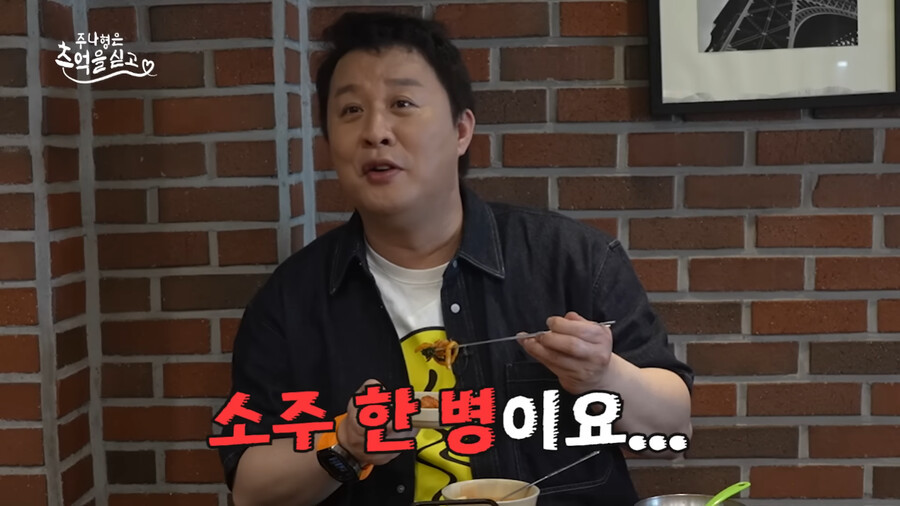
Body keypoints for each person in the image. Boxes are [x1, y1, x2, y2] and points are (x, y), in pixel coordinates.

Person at [216, 11, 693, 506]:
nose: (375, 131)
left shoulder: (571, 258)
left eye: (402, 104)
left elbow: (674, 426)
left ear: (461, 130)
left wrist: (604, 376)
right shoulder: (291, 300)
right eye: (351, 110)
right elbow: (251, 489)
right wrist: (344, 444)